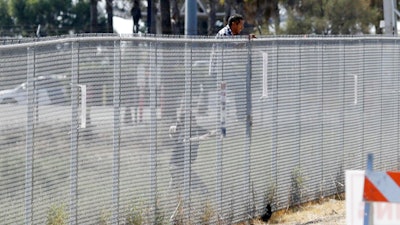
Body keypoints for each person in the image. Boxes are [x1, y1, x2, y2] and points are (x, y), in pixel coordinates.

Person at [209, 14, 255, 123]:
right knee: (240, 87)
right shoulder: (225, 33)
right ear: (234, 24)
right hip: (220, 71)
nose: (242, 28)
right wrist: (247, 39)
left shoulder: (228, 33)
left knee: (238, 88)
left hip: (225, 69)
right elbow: (234, 46)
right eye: (241, 25)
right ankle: (239, 118)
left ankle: (235, 117)